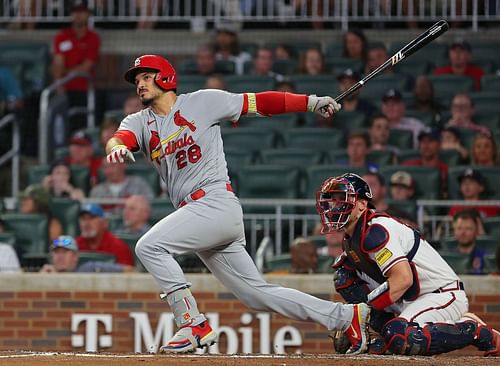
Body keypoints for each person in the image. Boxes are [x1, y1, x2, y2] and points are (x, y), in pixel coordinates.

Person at [105, 54, 371, 355]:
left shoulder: (202, 101)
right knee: (257, 295)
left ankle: (192, 323)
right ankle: (347, 317)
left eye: (145, 76)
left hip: (214, 202)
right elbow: (120, 137)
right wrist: (117, 148)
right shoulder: (140, 121)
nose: (139, 83)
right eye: (136, 80)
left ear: (165, 76)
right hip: (198, 214)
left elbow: (258, 103)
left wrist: (309, 102)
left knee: (148, 246)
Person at [315, 173, 500, 356]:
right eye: (334, 200)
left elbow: (403, 279)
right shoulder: (350, 239)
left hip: (441, 294)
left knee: (401, 337)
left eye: (343, 199)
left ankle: (475, 331)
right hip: (409, 299)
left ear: (363, 204)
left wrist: (360, 315)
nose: (336, 205)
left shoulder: (377, 229)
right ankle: (384, 336)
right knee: (344, 276)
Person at [50, 2, 101, 116]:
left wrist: (64, 72)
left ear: (88, 14)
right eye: (75, 12)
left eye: (81, 12)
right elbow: (57, 63)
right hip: (64, 89)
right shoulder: (62, 36)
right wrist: (59, 83)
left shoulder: (93, 38)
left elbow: (86, 67)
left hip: (84, 89)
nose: (78, 15)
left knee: (81, 120)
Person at [40, 235, 134, 273]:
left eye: (65, 252)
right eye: (56, 252)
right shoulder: (47, 273)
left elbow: (129, 270)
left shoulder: (88, 268)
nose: (60, 256)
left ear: (75, 257)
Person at [90, 158, 154, 212]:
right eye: (105, 167)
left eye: (113, 165)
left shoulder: (138, 184)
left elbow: (151, 205)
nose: (109, 171)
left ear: (123, 165)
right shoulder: (97, 191)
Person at [403, 128, 448, 198]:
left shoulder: (445, 170)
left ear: (439, 145)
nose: (426, 145)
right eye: (423, 141)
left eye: (430, 141)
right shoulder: (408, 166)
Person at [451, 210, 490, 275]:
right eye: (459, 228)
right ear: (454, 230)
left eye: (468, 228)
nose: (463, 233)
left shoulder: (485, 258)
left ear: (476, 231)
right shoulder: (448, 257)